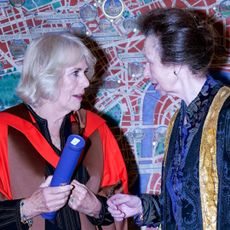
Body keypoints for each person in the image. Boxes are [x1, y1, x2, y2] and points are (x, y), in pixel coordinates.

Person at [107, 8, 230, 230]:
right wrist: (142, 206)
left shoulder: (227, 114)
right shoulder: (178, 120)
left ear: (176, 65)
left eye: (149, 62)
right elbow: (185, 206)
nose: (146, 72)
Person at [0, 33, 128, 230]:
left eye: (85, 73)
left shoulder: (96, 131)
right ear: (46, 74)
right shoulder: (5, 132)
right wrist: (27, 208)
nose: (86, 82)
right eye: (76, 73)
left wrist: (97, 208)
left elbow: (120, 202)